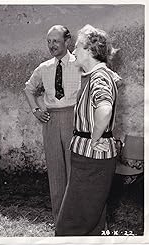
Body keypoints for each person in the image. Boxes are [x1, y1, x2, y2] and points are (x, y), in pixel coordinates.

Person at [55, 24, 120, 236]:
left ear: (91, 50)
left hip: (91, 158)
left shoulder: (99, 77)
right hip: (92, 158)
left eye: (77, 47)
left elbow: (104, 108)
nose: (73, 51)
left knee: (71, 225)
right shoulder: (96, 75)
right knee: (93, 220)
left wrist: (93, 138)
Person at [24, 25, 81, 223]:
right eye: (49, 42)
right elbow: (29, 89)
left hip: (74, 119)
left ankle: (78, 220)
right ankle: (60, 221)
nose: (51, 46)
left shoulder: (80, 63)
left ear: (67, 41)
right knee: (56, 174)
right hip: (51, 121)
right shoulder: (44, 67)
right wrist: (36, 110)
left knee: (76, 171)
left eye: (55, 41)